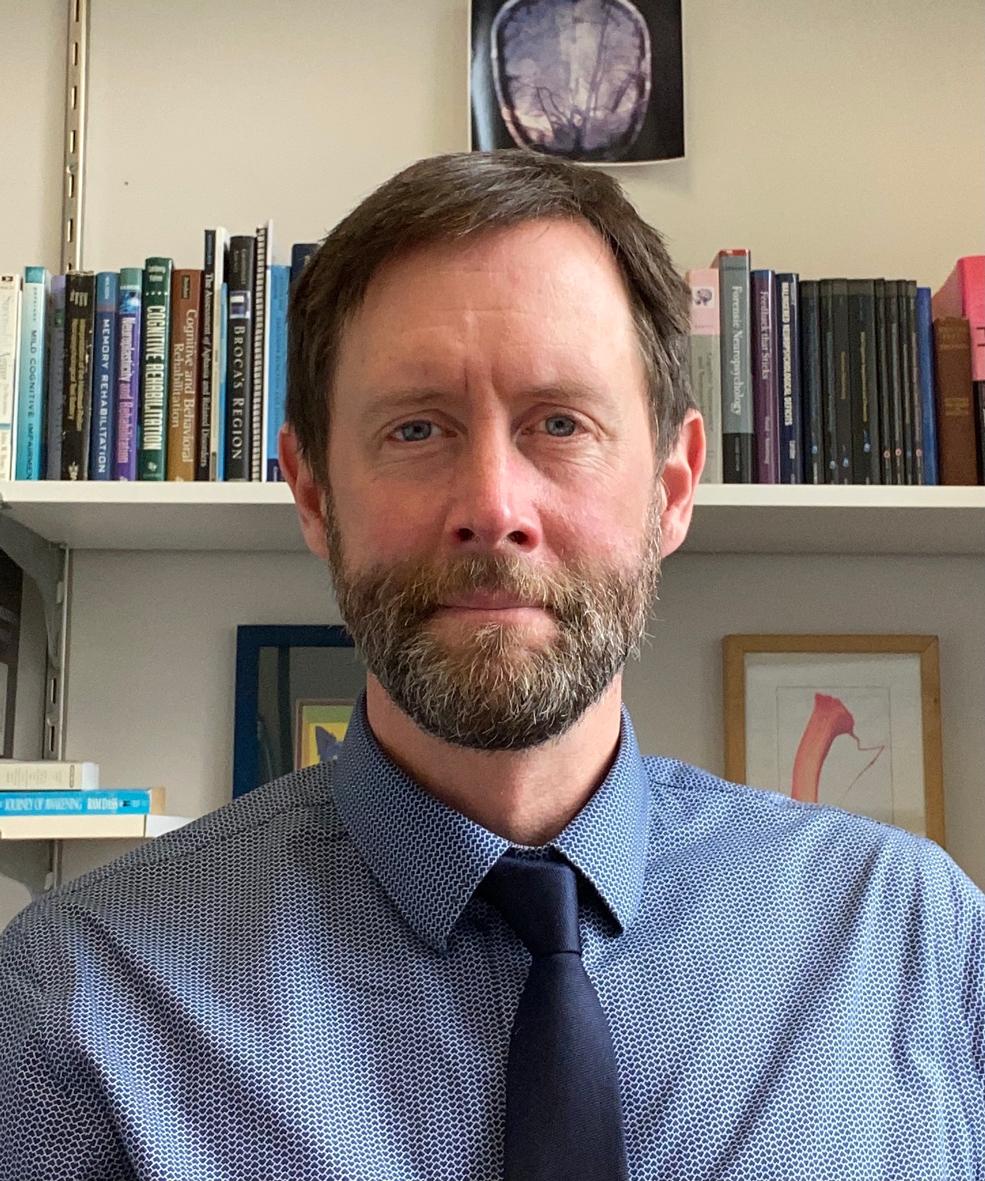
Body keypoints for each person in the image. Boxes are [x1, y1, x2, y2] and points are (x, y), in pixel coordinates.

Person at [0, 151, 982, 1181]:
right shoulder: (77, 998)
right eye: (416, 428)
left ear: (673, 488)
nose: (493, 505)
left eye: (560, 423)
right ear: (314, 494)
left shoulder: (911, 939)